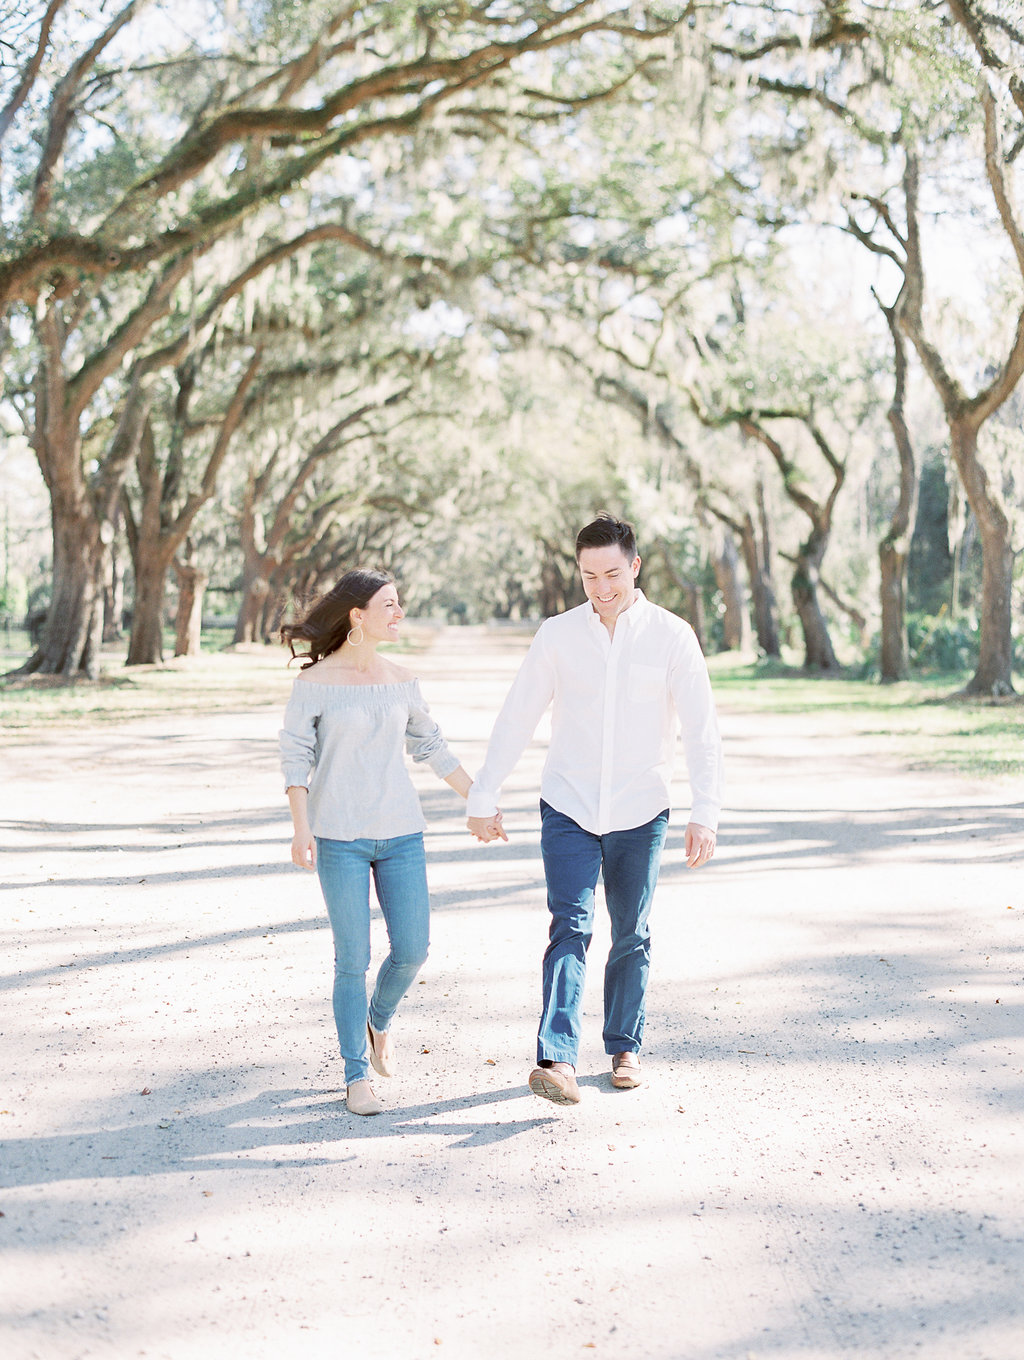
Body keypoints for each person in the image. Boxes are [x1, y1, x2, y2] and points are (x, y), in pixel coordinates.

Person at [466, 514, 722, 1105]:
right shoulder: (557, 635)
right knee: (570, 925)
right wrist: (485, 792)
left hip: (641, 806)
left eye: (612, 573)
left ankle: (624, 1046)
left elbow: (701, 729)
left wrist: (704, 810)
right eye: (589, 576)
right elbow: (518, 715)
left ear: (635, 566)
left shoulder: (672, 636)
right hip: (568, 804)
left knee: (631, 932)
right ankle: (557, 1058)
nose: (602, 587)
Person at [279, 569, 504, 1117]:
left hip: (401, 833)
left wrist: (480, 803)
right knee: (351, 960)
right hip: (339, 836)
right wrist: (300, 825)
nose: (399, 614)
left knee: (413, 949)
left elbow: (433, 748)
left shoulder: (403, 680)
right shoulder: (314, 684)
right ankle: (356, 1076)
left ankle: (377, 1020)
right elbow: (295, 757)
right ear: (358, 616)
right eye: (390, 605)